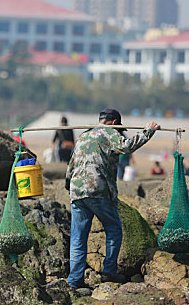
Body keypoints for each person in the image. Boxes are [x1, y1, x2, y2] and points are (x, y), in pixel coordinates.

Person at [65, 108, 160, 289]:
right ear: (115, 122)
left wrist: (70, 188)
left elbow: (71, 165)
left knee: (78, 238)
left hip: (77, 192)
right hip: (98, 190)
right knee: (114, 228)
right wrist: (148, 131)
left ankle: (75, 281)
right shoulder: (109, 133)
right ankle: (108, 273)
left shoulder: (84, 136)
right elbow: (126, 146)